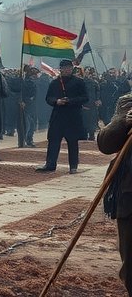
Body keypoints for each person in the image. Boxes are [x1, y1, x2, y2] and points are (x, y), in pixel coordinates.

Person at [97, 87, 132, 295]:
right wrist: (123, 123)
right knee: (131, 265)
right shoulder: (128, 101)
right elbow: (105, 144)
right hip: (130, 195)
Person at [36, 59, 89, 174]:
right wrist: (56, 101)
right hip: (58, 116)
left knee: (72, 142)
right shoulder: (54, 83)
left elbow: (85, 98)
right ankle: (50, 164)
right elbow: (48, 98)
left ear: (72, 69)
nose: (66, 70)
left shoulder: (79, 82)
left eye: (68, 68)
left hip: (73, 116)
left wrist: (70, 101)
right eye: (64, 68)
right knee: (53, 141)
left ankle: (73, 166)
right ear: (60, 69)